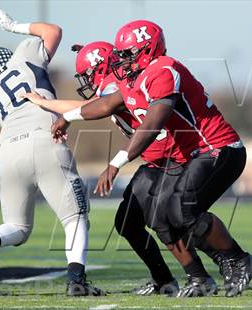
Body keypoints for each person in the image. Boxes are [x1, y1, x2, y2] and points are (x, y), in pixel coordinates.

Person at [46, 20, 252, 298]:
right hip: (195, 154)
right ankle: (203, 275)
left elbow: (151, 125)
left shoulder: (163, 70)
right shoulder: (136, 76)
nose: (121, 62)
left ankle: (237, 260)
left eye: (127, 54)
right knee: (165, 217)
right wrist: (67, 117)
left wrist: (115, 163)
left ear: (146, 50)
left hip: (217, 148)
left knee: (181, 211)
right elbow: (106, 104)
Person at [0, 9, 102, 296]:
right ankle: (76, 280)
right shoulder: (25, 55)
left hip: (9, 154)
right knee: (75, 217)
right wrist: (14, 26)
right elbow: (54, 31)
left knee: (17, 225)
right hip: (46, 142)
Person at [26, 41, 181, 296]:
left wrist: (52, 108)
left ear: (100, 67)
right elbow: (90, 106)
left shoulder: (113, 84)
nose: (86, 80)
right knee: (129, 222)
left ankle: (203, 273)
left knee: (170, 220)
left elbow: (99, 107)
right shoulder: (115, 82)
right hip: (157, 159)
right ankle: (165, 280)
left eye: (88, 73)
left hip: (168, 158)